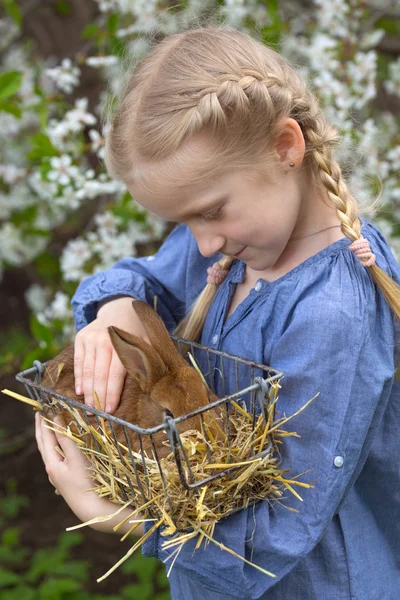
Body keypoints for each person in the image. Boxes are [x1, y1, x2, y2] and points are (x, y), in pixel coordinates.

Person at [35, 26, 400, 600]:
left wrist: (122, 519)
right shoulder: (233, 246)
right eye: (184, 222)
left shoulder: (333, 313)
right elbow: (148, 278)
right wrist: (116, 308)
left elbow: (281, 529)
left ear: (285, 147)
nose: (201, 243)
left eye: (210, 211)